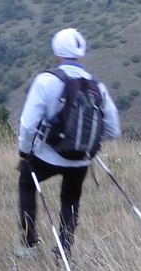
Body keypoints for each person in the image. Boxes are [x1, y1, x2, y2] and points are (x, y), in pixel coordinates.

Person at [15, 28, 121, 258]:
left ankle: (30, 243)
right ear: (80, 53)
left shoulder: (45, 81)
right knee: (71, 199)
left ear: (56, 52)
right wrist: (85, 139)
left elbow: (28, 124)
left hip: (46, 155)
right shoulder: (97, 87)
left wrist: (24, 150)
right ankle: (65, 248)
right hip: (81, 158)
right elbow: (113, 130)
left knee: (26, 183)